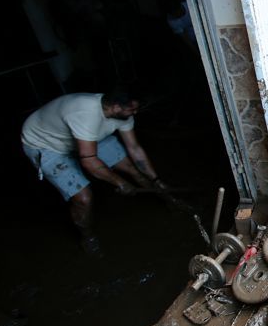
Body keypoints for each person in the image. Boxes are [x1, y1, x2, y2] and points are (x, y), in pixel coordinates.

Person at [21, 90, 163, 255]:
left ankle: (164, 196)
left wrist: (157, 180)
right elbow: (89, 161)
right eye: (132, 109)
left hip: (85, 136)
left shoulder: (122, 115)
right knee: (84, 198)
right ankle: (87, 236)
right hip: (46, 143)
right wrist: (121, 183)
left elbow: (135, 150)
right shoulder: (84, 113)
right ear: (116, 107)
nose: (135, 112)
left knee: (133, 169)